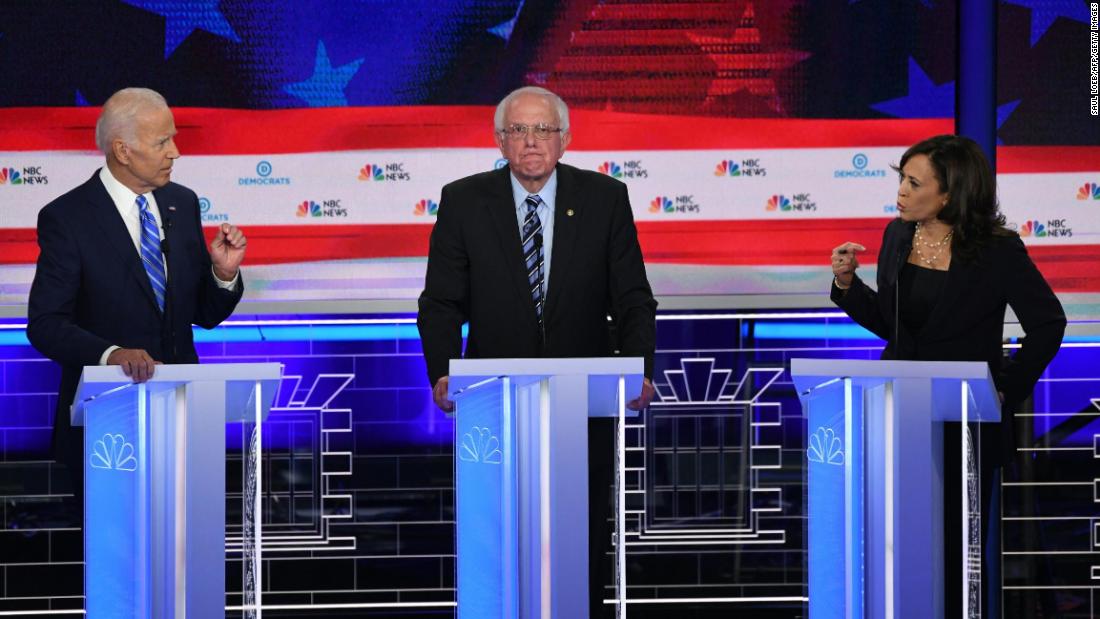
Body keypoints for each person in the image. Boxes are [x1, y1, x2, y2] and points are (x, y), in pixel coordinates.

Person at [417, 85, 657, 617]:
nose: (532, 142)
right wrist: (441, 372)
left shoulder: (605, 198)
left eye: (543, 130)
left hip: (585, 404)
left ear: (565, 140)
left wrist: (637, 368)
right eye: (519, 131)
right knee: (497, 532)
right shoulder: (464, 200)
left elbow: (635, 299)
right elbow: (439, 303)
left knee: (583, 532)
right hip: (492, 402)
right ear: (500, 141)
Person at [829, 134, 1065, 616]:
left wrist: (1006, 389)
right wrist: (848, 285)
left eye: (914, 183)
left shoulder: (998, 250)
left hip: (965, 423)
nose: (901, 191)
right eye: (901, 179)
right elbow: (894, 326)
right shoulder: (897, 235)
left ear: (949, 194)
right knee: (896, 544)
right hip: (898, 413)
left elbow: (1048, 324)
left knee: (955, 555)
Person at [27, 87, 246, 513]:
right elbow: (46, 323)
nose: (175, 152)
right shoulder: (67, 218)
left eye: (174, 138)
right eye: (162, 141)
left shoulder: (180, 204)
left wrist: (222, 273)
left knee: (182, 553)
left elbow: (201, 313)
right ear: (122, 150)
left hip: (182, 418)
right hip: (108, 424)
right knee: (117, 559)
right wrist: (111, 355)